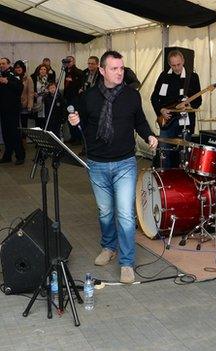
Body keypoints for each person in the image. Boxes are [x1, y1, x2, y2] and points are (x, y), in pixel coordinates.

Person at [68, 50, 158, 284]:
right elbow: (79, 121)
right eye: (114, 68)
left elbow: (140, 121)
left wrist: (149, 135)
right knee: (105, 212)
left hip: (125, 163)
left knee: (126, 215)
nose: (119, 72)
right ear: (102, 71)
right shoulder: (88, 96)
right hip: (96, 163)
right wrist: (74, 121)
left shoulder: (132, 96)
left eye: (121, 68)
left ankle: (126, 262)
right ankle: (109, 247)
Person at [150, 49, 201, 168]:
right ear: (169, 64)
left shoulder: (192, 77)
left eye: (178, 64)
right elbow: (154, 98)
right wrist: (161, 110)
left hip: (185, 122)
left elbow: (198, 101)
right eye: (173, 65)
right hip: (167, 121)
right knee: (164, 153)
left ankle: (181, 181)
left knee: (183, 155)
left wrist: (189, 105)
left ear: (183, 61)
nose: (177, 68)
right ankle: (166, 180)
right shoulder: (164, 76)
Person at [0, 57, 25, 165]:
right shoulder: (1, 75)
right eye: (0, 64)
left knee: (14, 133)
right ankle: (7, 155)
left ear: (9, 64)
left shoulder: (14, 75)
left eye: (3, 63)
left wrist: (7, 82)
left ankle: (20, 156)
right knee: (6, 133)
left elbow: (20, 89)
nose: (1, 65)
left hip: (12, 109)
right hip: (3, 109)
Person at [13, 60, 33, 162]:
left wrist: (30, 105)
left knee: (24, 127)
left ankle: (23, 145)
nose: (18, 69)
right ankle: (18, 145)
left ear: (23, 68)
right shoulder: (12, 77)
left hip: (24, 106)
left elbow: (30, 92)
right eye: (16, 67)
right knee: (16, 126)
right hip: (14, 106)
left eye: (19, 67)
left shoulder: (28, 78)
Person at [64, 55, 84, 144]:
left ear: (74, 62)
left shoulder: (78, 72)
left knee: (75, 117)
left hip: (75, 98)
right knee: (69, 118)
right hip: (68, 97)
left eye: (70, 61)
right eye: (67, 61)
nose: (68, 63)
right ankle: (73, 136)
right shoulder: (66, 71)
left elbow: (81, 85)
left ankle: (78, 138)